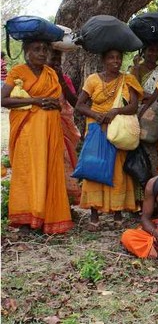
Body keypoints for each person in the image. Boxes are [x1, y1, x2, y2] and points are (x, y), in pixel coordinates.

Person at [1, 40, 73, 234]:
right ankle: (26, 220)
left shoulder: (51, 73)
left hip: (50, 131)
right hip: (27, 132)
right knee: (28, 172)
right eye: (36, 49)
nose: (42, 53)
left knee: (49, 170)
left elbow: (59, 103)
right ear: (26, 51)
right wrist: (35, 101)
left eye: (44, 49)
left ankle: (47, 218)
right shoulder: (18, 72)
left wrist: (53, 105)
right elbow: (3, 99)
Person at [76, 49, 143, 230]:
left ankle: (117, 213)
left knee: (117, 170)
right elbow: (80, 105)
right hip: (96, 129)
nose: (116, 61)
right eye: (111, 58)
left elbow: (134, 106)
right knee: (94, 167)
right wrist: (95, 115)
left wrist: (116, 111)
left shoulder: (128, 79)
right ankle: (94, 215)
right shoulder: (92, 80)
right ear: (103, 60)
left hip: (117, 130)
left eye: (118, 57)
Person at [130, 44, 158, 175]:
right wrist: (136, 68)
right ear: (144, 52)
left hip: (157, 116)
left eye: (157, 50)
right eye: (151, 50)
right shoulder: (136, 69)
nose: (154, 53)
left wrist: (150, 97)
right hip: (140, 113)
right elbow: (134, 90)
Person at [48, 50, 82, 205]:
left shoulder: (64, 79)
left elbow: (74, 102)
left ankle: (65, 199)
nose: (55, 62)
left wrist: (61, 79)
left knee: (65, 159)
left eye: (58, 59)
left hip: (63, 125)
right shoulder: (39, 79)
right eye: (52, 58)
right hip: (44, 127)